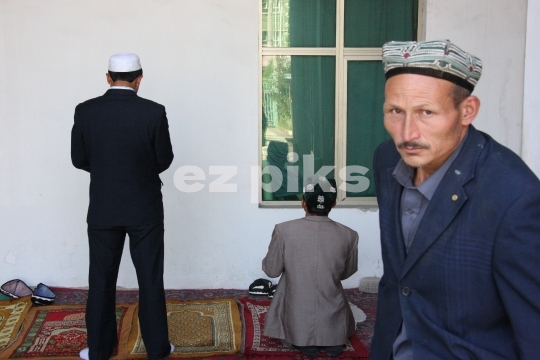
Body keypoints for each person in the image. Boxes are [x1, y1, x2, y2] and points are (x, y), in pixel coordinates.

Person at [370, 39, 540, 359]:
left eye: (426, 112)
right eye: (396, 111)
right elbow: (399, 280)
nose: (407, 133)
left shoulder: (516, 199)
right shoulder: (386, 160)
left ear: (467, 111)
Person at [71, 53, 174, 360]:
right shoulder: (154, 112)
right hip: (145, 209)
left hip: (103, 208)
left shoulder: (86, 111)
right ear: (139, 79)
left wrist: (107, 171)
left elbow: (79, 159)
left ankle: (100, 350)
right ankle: (157, 349)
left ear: (107, 77)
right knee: (150, 279)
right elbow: (164, 159)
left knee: (101, 279)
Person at [262, 176, 359, 357]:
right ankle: (331, 339)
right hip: (334, 323)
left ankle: (302, 338)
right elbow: (347, 272)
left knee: (288, 281)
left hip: (297, 316)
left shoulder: (283, 230)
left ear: (303, 203)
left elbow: (271, 270)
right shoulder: (350, 235)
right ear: (334, 204)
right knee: (329, 282)